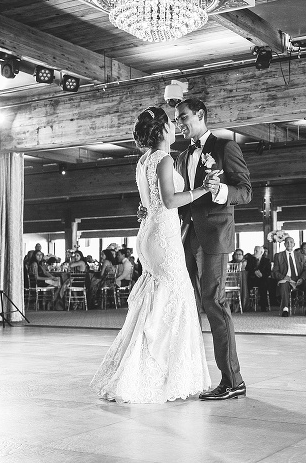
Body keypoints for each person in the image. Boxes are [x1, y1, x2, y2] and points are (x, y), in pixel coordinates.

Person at [91, 106, 212, 403]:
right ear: (161, 130)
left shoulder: (142, 160)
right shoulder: (164, 158)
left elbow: (148, 202)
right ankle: (157, 374)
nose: (174, 127)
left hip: (147, 233)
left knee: (155, 299)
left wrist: (148, 209)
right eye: (171, 124)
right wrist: (203, 189)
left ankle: (139, 367)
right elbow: (170, 200)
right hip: (164, 236)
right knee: (175, 299)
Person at [174, 97, 252, 400]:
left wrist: (222, 192)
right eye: (177, 119)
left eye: (183, 118)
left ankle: (233, 381)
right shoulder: (181, 156)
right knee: (185, 304)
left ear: (201, 115)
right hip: (186, 235)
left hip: (215, 235)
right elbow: (181, 196)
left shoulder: (225, 147)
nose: (179, 124)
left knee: (214, 304)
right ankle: (184, 376)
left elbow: (245, 191)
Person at [271, 237, 306, 317]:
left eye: (291, 242)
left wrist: (302, 278)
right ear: (284, 244)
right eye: (287, 242)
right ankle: (285, 309)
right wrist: (283, 277)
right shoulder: (278, 256)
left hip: (299, 278)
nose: (289, 244)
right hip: (286, 278)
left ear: (294, 244)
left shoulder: (300, 256)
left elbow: (305, 270)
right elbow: (275, 272)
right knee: (283, 284)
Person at [244, 246, 271, 311]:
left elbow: (268, 272)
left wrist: (262, 275)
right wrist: (254, 271)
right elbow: (247, 268)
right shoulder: (250, 260)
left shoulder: (266, 261)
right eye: (254, 250)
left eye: (256, 251)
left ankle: (263, 306)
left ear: (261, 252)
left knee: (264, 285)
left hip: (262, 279)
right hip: (252, 279)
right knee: (245, 284)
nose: (254, 252)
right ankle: (247, 305)